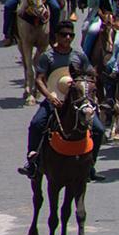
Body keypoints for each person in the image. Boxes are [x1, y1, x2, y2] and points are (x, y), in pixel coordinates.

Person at [19, 21, 106, 179]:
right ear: (57, 36)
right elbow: (39, 79)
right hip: (55, 98)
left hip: (77, 102)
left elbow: (90, 74)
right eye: (64, 34)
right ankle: (32, 162)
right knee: (36, 123)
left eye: (71, 35)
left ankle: (91, 165)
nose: (67, 37)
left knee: (99, 130)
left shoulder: (79, 56)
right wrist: (49, 96)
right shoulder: (48, 57)